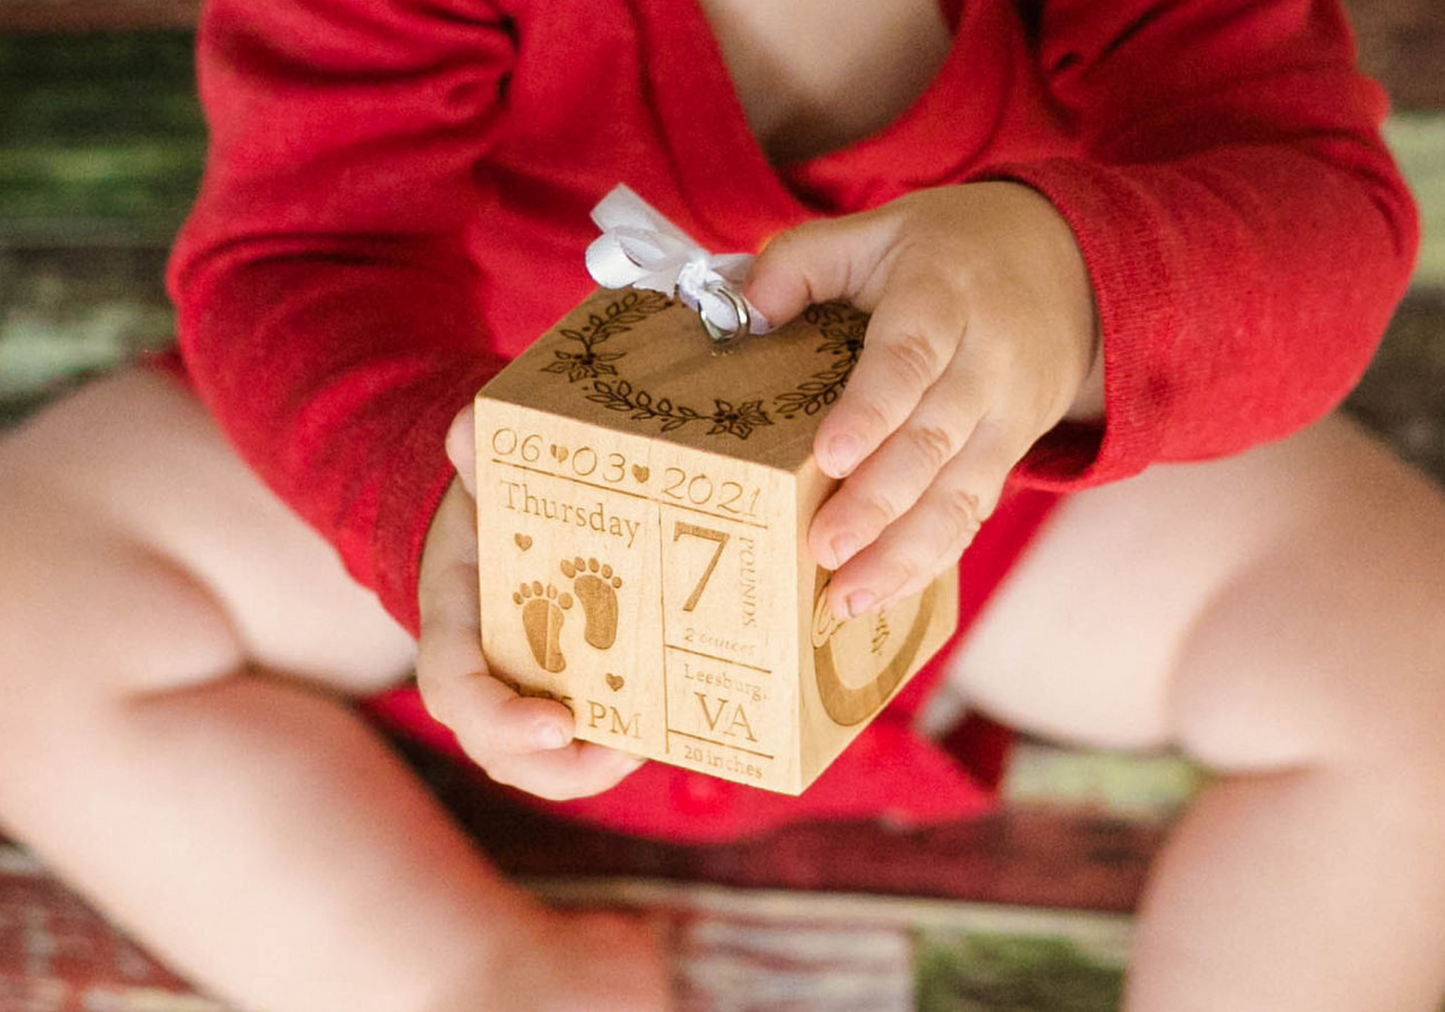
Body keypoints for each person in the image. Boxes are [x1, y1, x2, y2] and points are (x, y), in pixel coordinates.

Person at [1, 0, 1442, 1008]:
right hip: (496, 506)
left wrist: (1065, 292)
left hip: (961, 502)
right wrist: (416, 496)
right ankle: (464, 980)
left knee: (1418, 664)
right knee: (25, 601)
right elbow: (302, 255)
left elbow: (1322, 207)